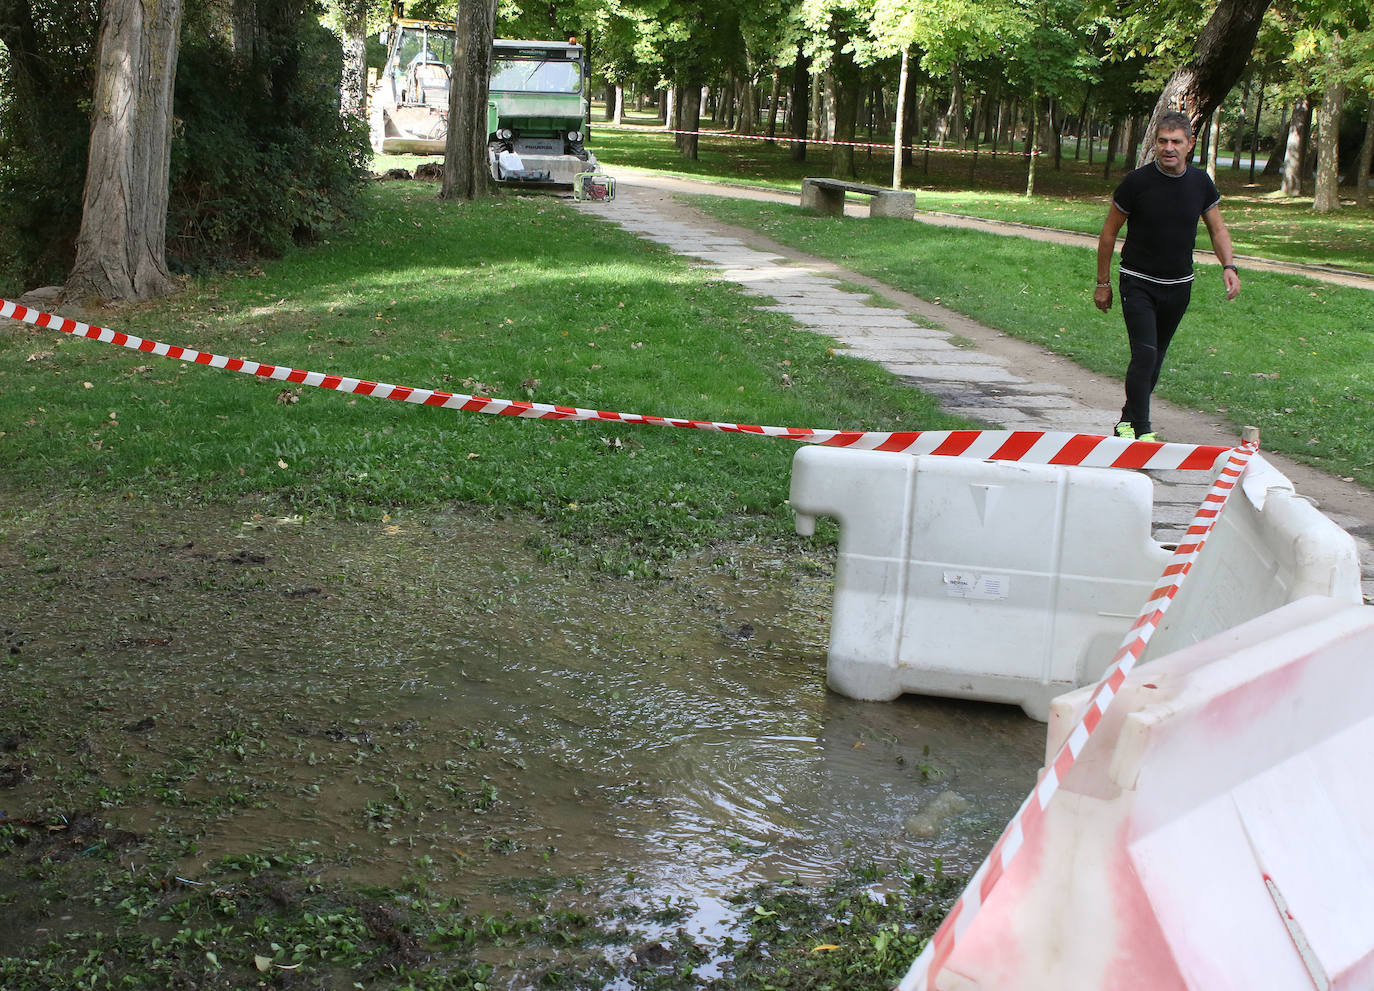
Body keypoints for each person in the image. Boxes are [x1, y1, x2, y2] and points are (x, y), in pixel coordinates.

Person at [1094, 110, 1241, 442]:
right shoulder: (1137, 183)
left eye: (1176, 141)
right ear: (1155, 144)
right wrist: (1103, 283)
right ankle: (1143, 431)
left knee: (1155, 359)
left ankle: (1126, 421)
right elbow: (1108, 234)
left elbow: (1217, 229)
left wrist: (1229, 267)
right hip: (1138, 282)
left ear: (1190, 144)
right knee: (1144, 354)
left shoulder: (1200, 182)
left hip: (1178, 287)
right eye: (1162, 141)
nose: (1169, 148)